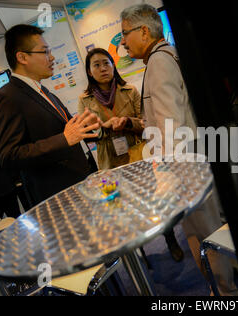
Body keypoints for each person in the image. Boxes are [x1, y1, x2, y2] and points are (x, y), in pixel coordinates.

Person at [120, 4, 238, 295]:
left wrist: (169, 178)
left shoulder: (159, 62)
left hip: (185, 166)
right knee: (215, 226)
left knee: (204, 233)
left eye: (125, 34)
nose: (122, 42)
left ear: (144, 31)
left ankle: (224, 293)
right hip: (198, 158)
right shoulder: (170, 55)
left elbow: (170, 127)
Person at [77, 47, 185, 262]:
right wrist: (103, 127)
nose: (102, 68)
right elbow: (86, 134)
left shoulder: (131, 90)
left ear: (113, 65)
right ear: (89, 72)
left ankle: (170, 237)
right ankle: (139, 254)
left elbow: (147, 124)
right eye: (96, 65)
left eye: (106, 63)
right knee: (121, 209)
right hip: (109, 161)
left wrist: (127, 122)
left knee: (156, 200)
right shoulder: (85, 100)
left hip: (138, 154)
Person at [0, 24, 101, 207]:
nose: (52, 57)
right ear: (22, 57)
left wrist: (89, 125)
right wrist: (64, 139)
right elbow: (9, 156)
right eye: (45, 52)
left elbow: (66, 131)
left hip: (80, 187)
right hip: (56, 200)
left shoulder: (43, 90)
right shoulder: (5, 97)